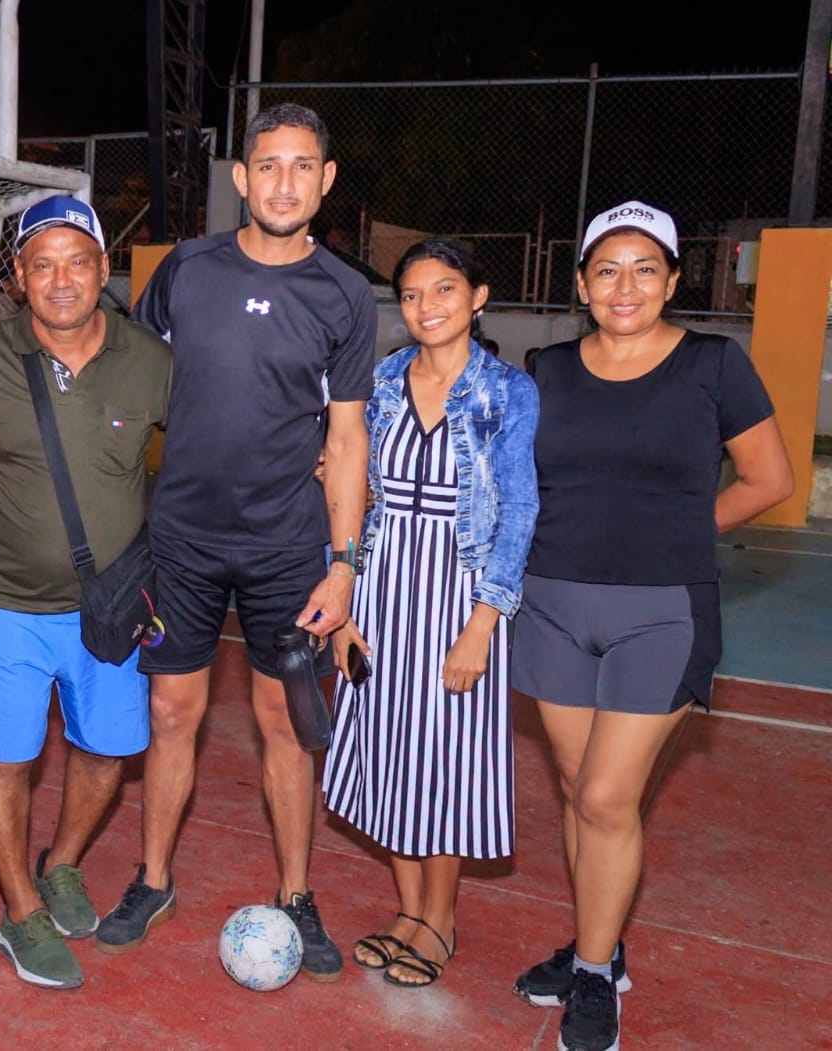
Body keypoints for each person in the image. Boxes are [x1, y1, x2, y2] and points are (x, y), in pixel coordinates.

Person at [94, 102, 374, 983]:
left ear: (326, 180)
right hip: (181, 539)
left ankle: (296, 893)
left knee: (285, 724)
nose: (285, 182)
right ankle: (154, 879)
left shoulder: (345, 294)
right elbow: (130, 373)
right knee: (171, 714)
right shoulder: (187, 269)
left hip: (286, 546)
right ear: (243, 178)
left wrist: (344, 564)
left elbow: (348, 436)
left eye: (303, 166)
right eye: (269, 165)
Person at [510, 201, 792, 1051]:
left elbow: (769, 478)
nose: (624, 286)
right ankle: (597, 942)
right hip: (552, 604)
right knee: (577, 789)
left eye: (644, 269)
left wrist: (680, 536)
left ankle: (596, 974)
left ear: (672, 280)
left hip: (661, 612)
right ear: (582, 284)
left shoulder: (714, 363)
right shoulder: (547, 369)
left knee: (606, 796)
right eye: (606, 270)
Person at [0, 195, 171, 989]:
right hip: (1, 600)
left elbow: (208, 452)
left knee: (108, 750)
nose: (60, 280)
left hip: (111, 606)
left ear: (103, 268)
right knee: (4, 761)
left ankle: (62, 864)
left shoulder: (151, 359)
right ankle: (20, 909)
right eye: (41, 264)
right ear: (17, 277)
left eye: (77, 261)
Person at [324, 239, 539, 989]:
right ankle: (408, 910)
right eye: (412, 294)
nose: (427, 307)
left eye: (445, 290)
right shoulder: (380, 380)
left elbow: (519, 510)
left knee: (446, 757)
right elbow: (352, 491)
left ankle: (440, 919)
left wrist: (484, 623)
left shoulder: (507, 390)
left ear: (478, 297)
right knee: (389, 749)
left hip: (459, 592)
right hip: (382, 584)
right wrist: (344, 601)